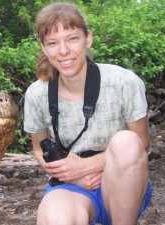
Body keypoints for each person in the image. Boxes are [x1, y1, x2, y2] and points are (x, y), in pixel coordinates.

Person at [23, 2, 152, 225]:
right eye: (53, 43)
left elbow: (143, 145)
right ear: (44, 48)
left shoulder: (123, 82)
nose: (63, 51)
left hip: (122, 183)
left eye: (72, 39)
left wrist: (86, 166)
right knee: (56, 219)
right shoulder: (37, 94)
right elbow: (37, 147)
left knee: (126, 141)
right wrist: (72, 175)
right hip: (72, 186)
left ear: (88, 38)